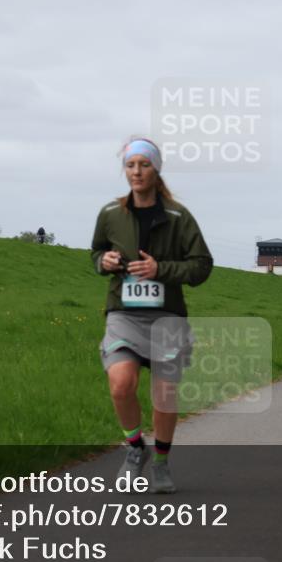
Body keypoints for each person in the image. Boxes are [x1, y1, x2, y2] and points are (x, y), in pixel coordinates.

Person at [91, 137, 213, 494]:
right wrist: (104, 261)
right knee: (121, 383)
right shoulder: (110, 214)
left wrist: (161, 269)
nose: (137, 172)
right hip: (123, 314)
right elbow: (96, 252)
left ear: (156, 170)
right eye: (130, 165)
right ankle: (135, 448)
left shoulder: (178, 217)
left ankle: (160, 461)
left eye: (144, 165)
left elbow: (201, 266)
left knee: (165, 394)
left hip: (167, 316)